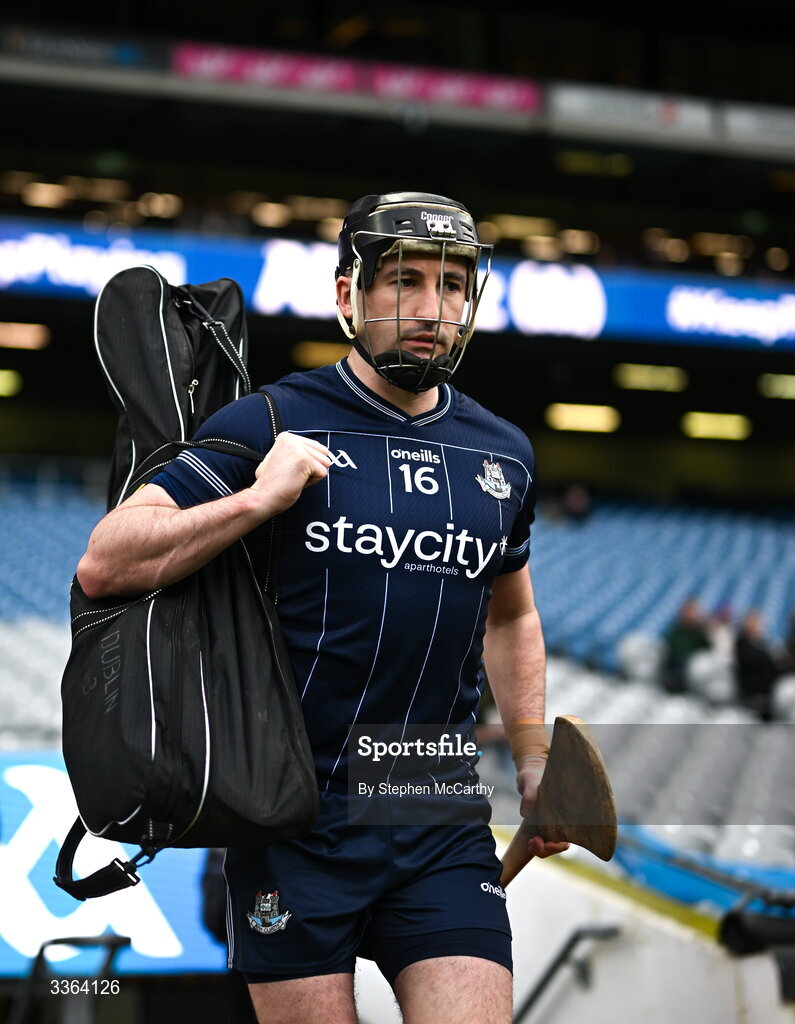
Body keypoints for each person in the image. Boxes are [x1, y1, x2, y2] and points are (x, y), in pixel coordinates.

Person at [77, 191, 568, 1024]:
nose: (429, 307)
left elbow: (511, 614)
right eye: (403, 281)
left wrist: (529, 755)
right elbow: (106, 561)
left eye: (451, 285)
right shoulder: (272, 419)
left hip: (435, 807)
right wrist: (256, 500)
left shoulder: (503, 454)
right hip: (291, 813)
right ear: (348, 296)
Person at [661, 596, 711, 693]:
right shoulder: (676, 632)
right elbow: (676, 654)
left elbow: (708, 650)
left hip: (697, 672)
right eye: (690, 611)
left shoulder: (698, 632)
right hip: (678, 673)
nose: (693, 614)